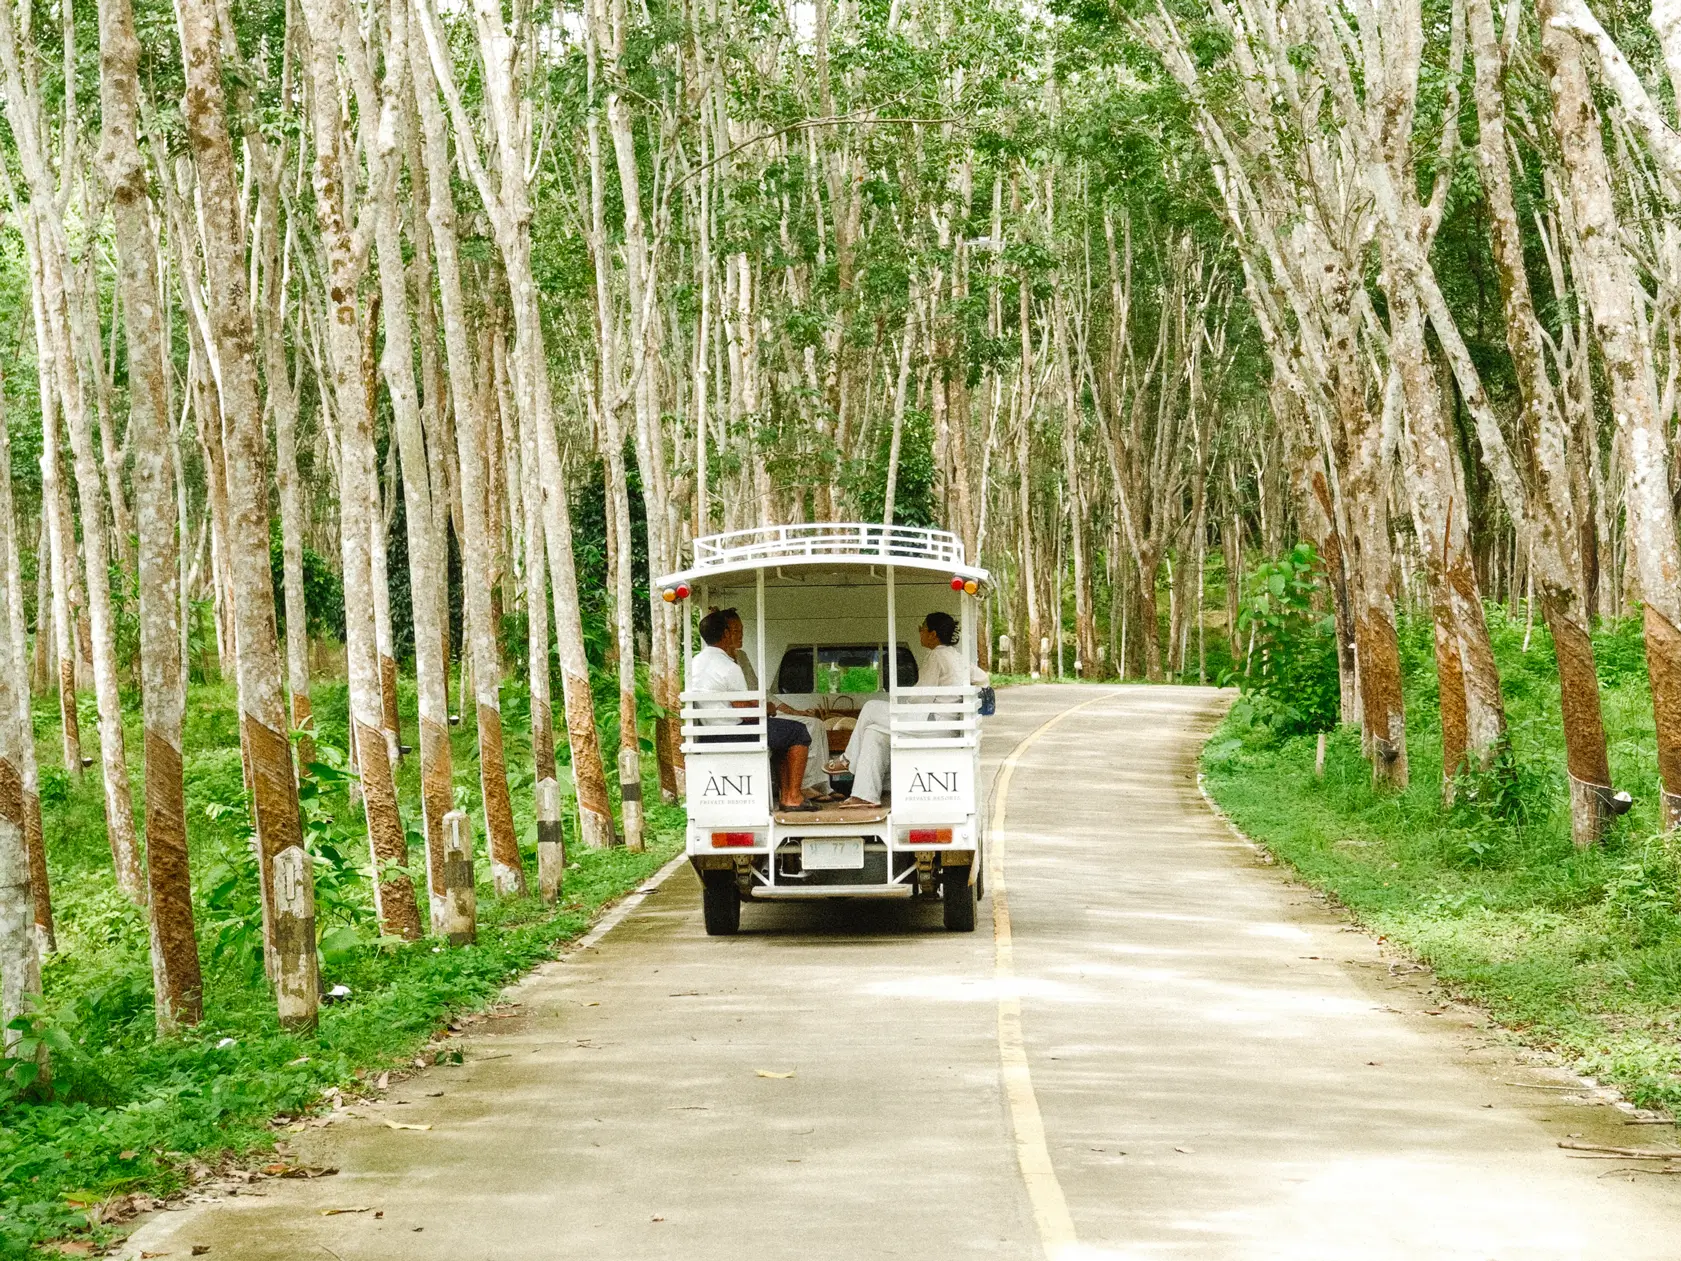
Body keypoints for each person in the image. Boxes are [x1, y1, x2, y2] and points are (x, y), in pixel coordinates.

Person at [829, 611, 989, 807]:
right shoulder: (956, 657)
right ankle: (865, 795)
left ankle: (847, 759)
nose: (920, 632)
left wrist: (902, 706)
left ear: (933, 634)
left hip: (930, 724)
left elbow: (921, 697)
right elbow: (983, 678)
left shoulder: (936, 656)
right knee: (873, 733)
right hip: (944, 725)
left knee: (871, 707)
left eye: (922, 628)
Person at [692, 609, 816, 812]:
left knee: (781, 734)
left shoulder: (695, 663)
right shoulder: (728, 666)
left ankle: (786, 795)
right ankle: (792, 796)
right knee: (798, 732)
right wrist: (768, 708)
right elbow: (746, 713)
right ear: (725, 634)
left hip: (708, 733)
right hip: (734, 733)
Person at [719, 609, 835, 800]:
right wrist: (764, 709)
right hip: (749, 718)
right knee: (807, 727)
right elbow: (744, 703)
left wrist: (794, 711)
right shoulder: (724, 664)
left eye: (741, 630)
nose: (740, 635)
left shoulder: (743, 658)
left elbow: (763, 693)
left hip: (761, 712)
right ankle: (804, 786)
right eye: (734, 630)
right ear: (723, 633)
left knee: (816, 723)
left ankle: (822, 785)